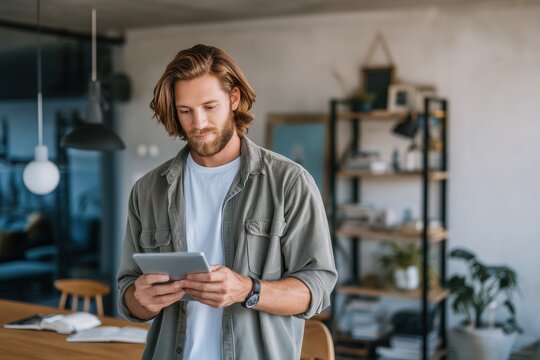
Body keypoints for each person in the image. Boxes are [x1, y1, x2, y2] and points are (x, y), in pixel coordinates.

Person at [117, 44, 337, 360]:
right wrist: (141, 299)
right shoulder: (148, 190)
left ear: (233, 99)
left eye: (209, 106)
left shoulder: (289, 183)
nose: (198, 123)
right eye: (185, 111)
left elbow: (317, 287)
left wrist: (248, 290)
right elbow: (128, 293)